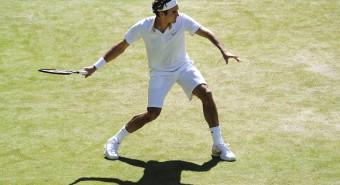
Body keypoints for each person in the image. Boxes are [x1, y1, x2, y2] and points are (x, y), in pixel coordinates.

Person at [84, 0, 240, 161]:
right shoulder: (143, 26)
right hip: (160, 74)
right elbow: (121, 47)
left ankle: (218, 145)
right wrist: (95, 67)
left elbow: (205, 32)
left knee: (206, 93)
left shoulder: (182, 20)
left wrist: (223, 49)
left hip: (183, 67)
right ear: (161, 13)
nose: (178, 14)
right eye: (173, 11)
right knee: (152, 114)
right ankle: (114, 140)